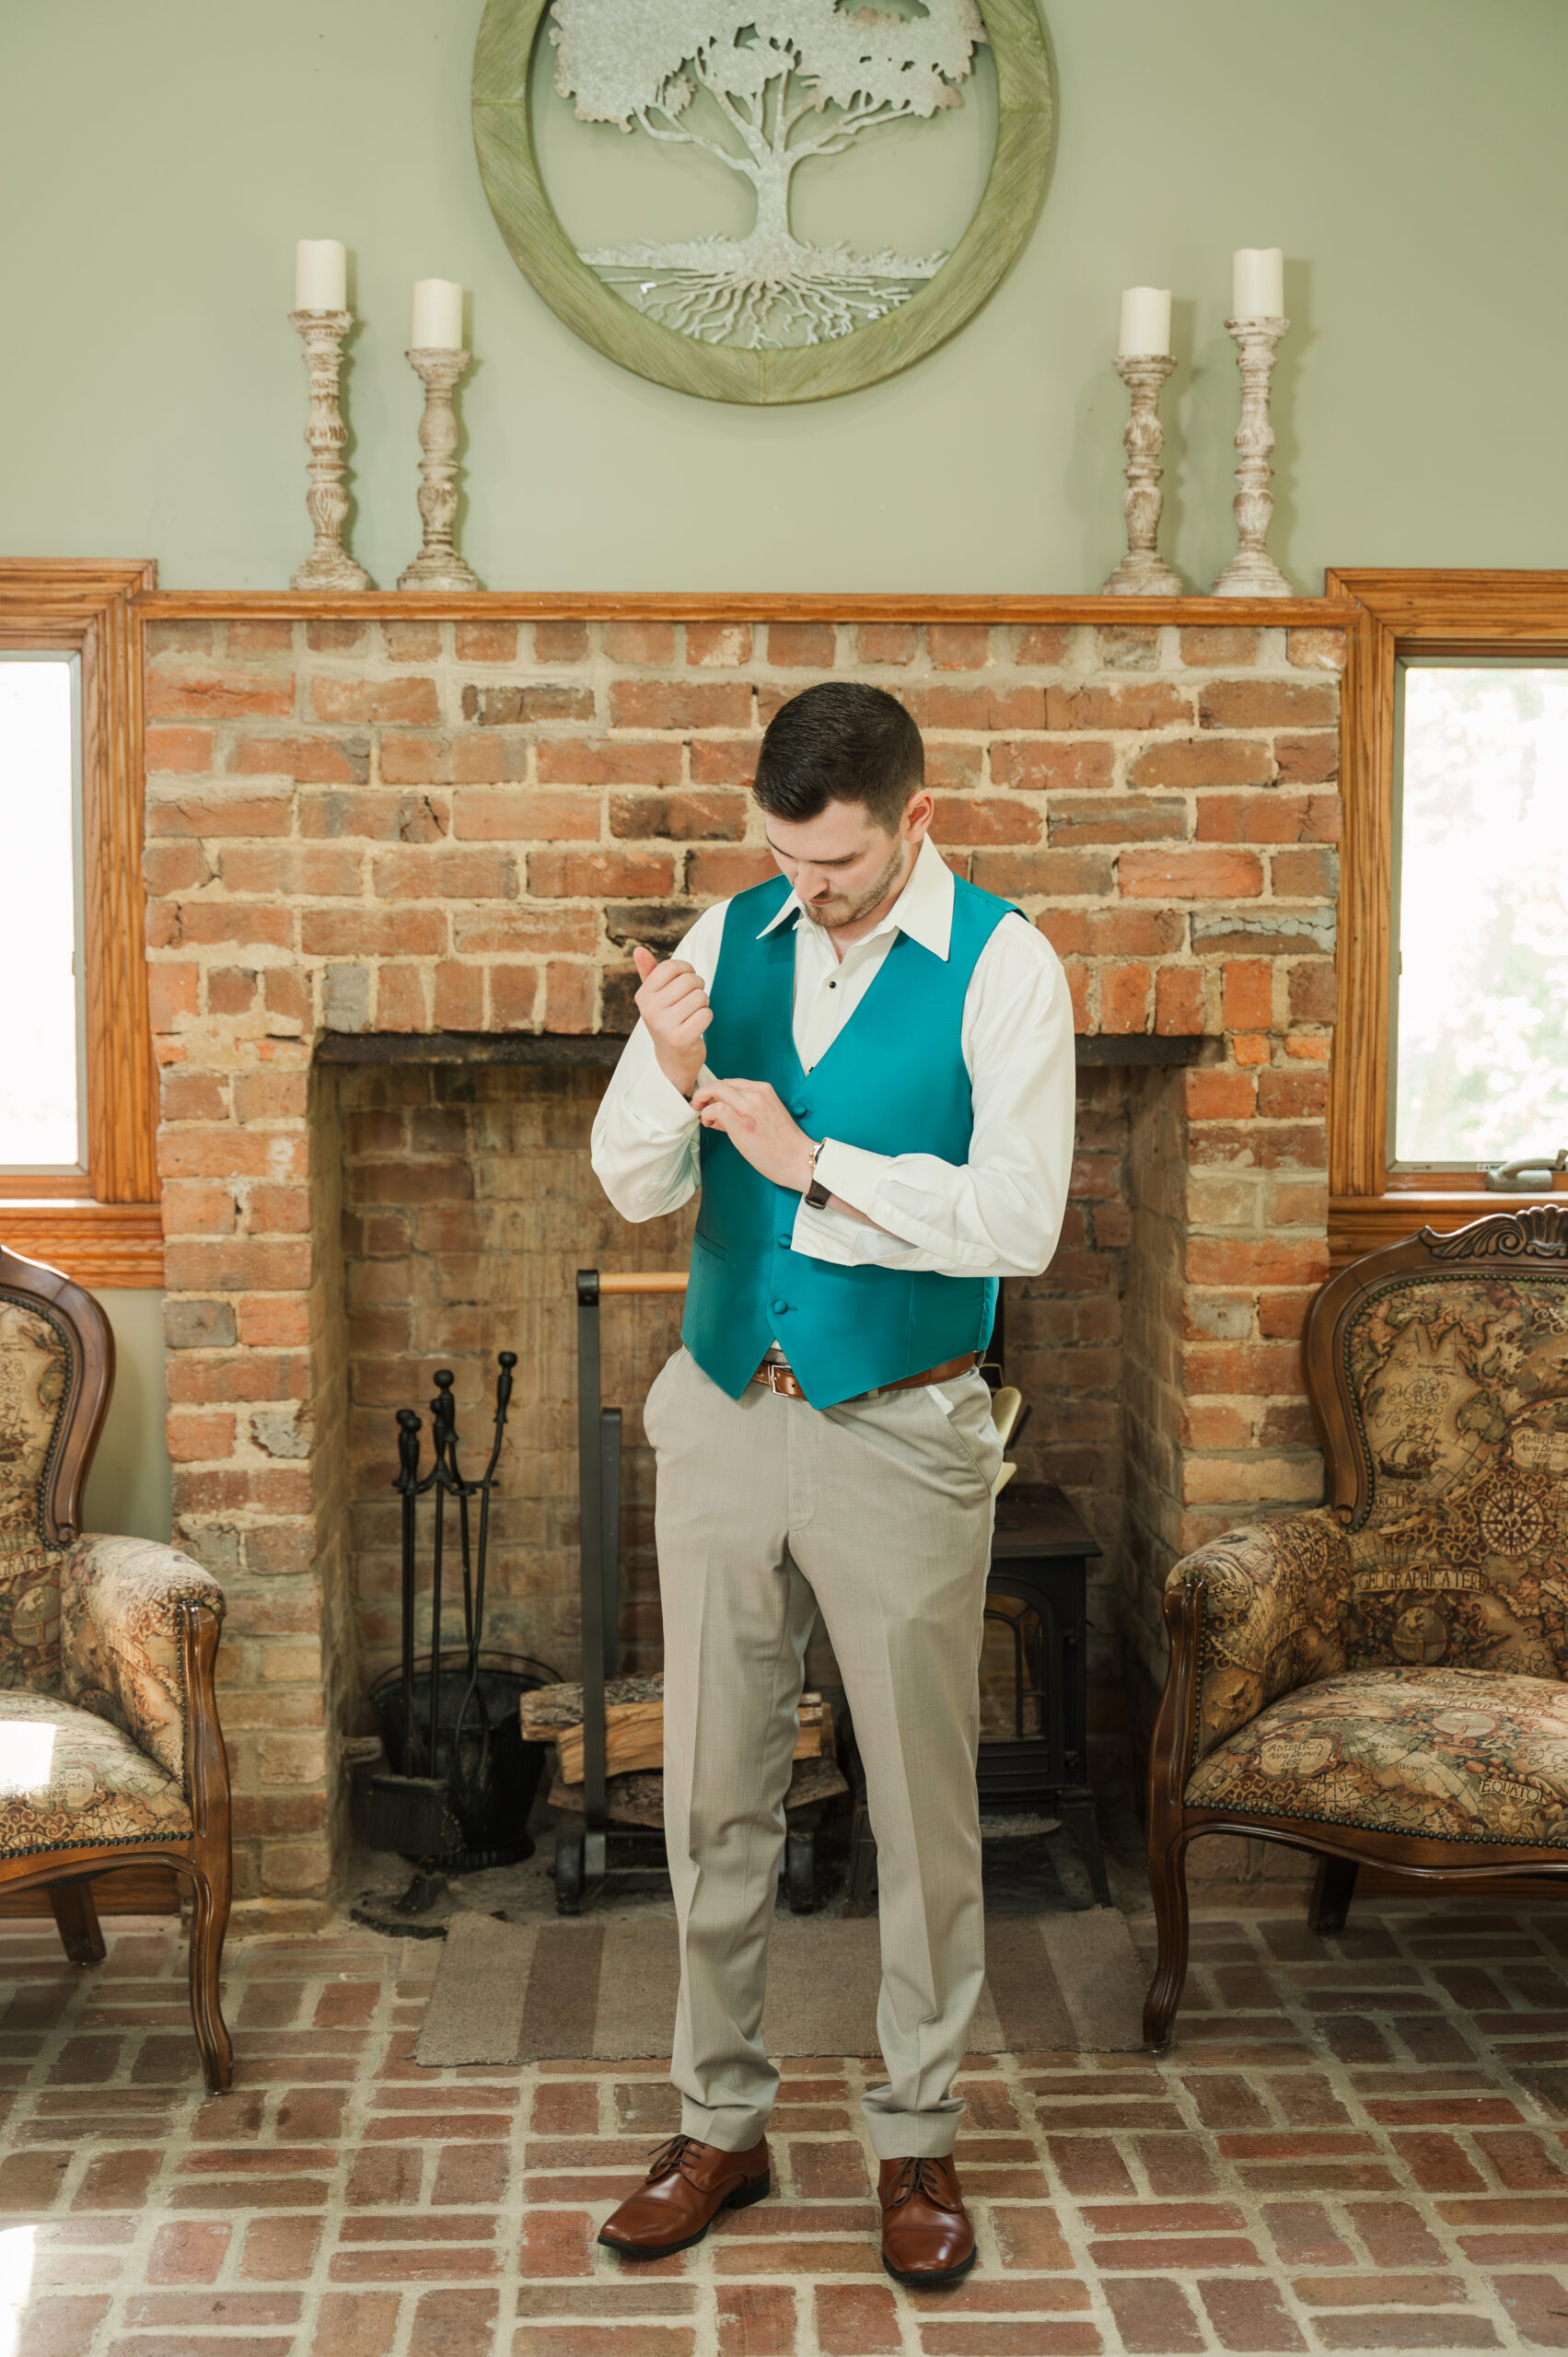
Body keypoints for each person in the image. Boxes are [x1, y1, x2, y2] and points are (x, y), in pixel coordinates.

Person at [588, 679, 1074, 2283]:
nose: (810, 891)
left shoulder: (1005, 968)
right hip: (728, 1407)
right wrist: (662, 1075)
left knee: (925, 1815)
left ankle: (917, 2137)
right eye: (787, 857)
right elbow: (630, 1185)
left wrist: (821, 1169)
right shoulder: (729, 944)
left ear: (916, 819)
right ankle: (721, 2121)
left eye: (842, 866)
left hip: (906, 1424)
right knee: (714, 1788)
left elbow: (1021, 1223)